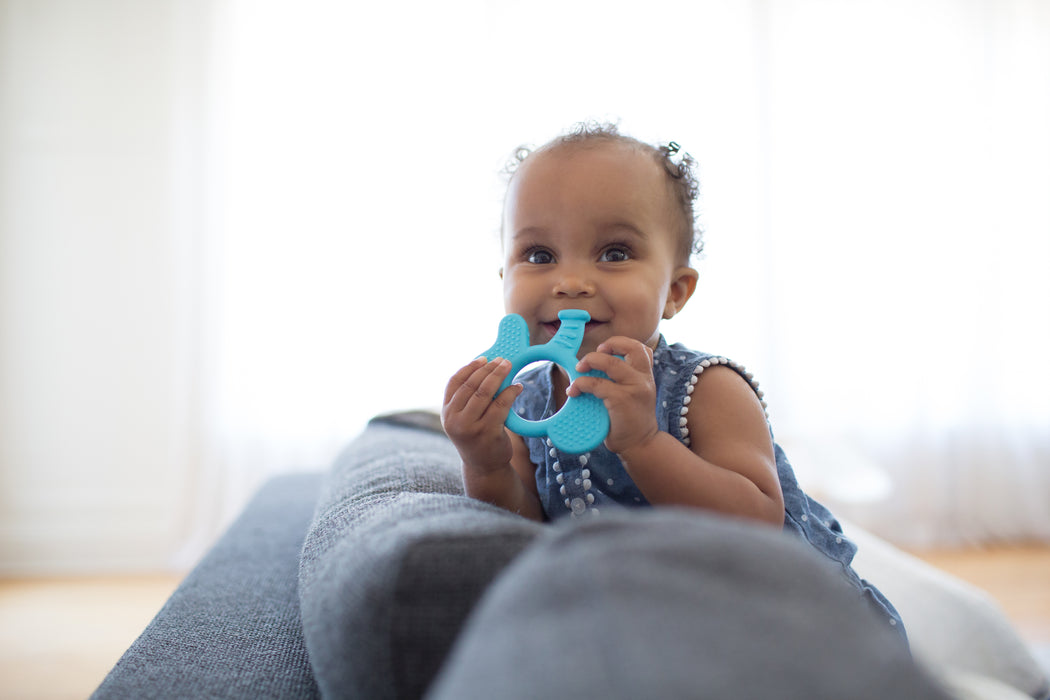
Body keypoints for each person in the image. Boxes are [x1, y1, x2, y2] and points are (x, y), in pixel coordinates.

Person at [441, 121, 906, 639]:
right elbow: (523, 527)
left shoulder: (707, 388)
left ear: (675, 292)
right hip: (654, 629)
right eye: (539, 256)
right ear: (504, 279)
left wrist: (643, 442)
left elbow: (755, 522)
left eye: (614, 253)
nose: (570, 282)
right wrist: (483, 463)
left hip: (785, 621)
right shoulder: (527, 406)